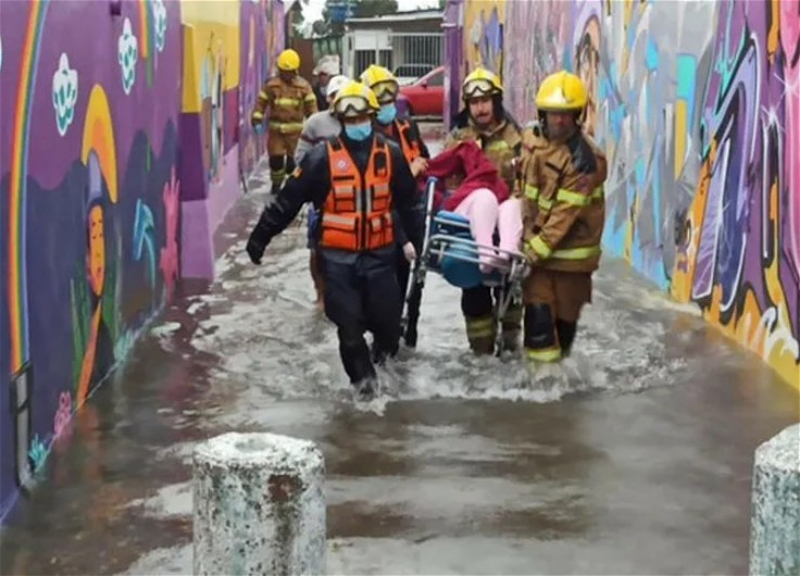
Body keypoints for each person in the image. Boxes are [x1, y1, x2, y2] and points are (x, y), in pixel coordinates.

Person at [245, 81, 423, 401]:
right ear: (340, 120)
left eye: (361, 118)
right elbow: (287, 202)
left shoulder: (391, 155)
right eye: (350, 119)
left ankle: (384, 373)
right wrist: (260, 237)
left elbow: (411, 205)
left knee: (388, 328)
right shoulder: (320, 159)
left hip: (381, 257)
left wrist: (420, 246)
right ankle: (365, 394)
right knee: (349, 328)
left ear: (371, 117)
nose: (357, 124)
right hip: (339, 261)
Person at [518, 70, 607, 363]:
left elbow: (562, 218)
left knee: (563, 335)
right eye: (554, 113)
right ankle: (541, 385)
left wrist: (529, 254)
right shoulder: (531, 138)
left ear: (577, 115)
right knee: (538, 328)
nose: (560, 121)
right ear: (542, 113)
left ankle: (558, 383)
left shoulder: (585, 161)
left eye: (567, 114)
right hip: (538, 260)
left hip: (570, 262)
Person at [443, 67, 524, 356]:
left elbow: (526, 183)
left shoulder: (516, 138)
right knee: (474, 294)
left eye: (485, 101)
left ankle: (510, 347)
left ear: (496, 101)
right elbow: (449, 187)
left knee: (512, 294)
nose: (480, 108)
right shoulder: (458, 139)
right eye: (474, 102)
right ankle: (481, 357)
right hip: (472, 229)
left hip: (508, 225)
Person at [359, 64, 430, 341]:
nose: (388, 105)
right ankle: (383, 344)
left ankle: (408, 339)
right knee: (384, 295)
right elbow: (376, 187)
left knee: (414, 288)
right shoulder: (365, 141)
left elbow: (425, 160)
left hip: (412, 217)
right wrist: (408, 172)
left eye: (391, 98)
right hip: (383, 226)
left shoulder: (408, 127)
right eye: (381, 100)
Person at [294, 74, 350, 310]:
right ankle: (320, 294)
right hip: (321, 199)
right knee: (316, 249)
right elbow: (300, 157)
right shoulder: (315, 123)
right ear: (328, 98)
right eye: (335, 96)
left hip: (352, 197)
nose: (339, 101)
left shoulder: (360, 122)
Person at [251, 49, 318, 195]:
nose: (286, 75)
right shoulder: (272, 86)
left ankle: (293, 187)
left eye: (289, 72)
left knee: (293, 163)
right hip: (276, 131)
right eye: (284, 71)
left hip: (296, 132)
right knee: (276, 161)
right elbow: (261, 102)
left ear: (295, 70)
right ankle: (276, 186)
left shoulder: (303, 86)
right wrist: (257, 119)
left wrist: (315, 126)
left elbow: (311, 107)